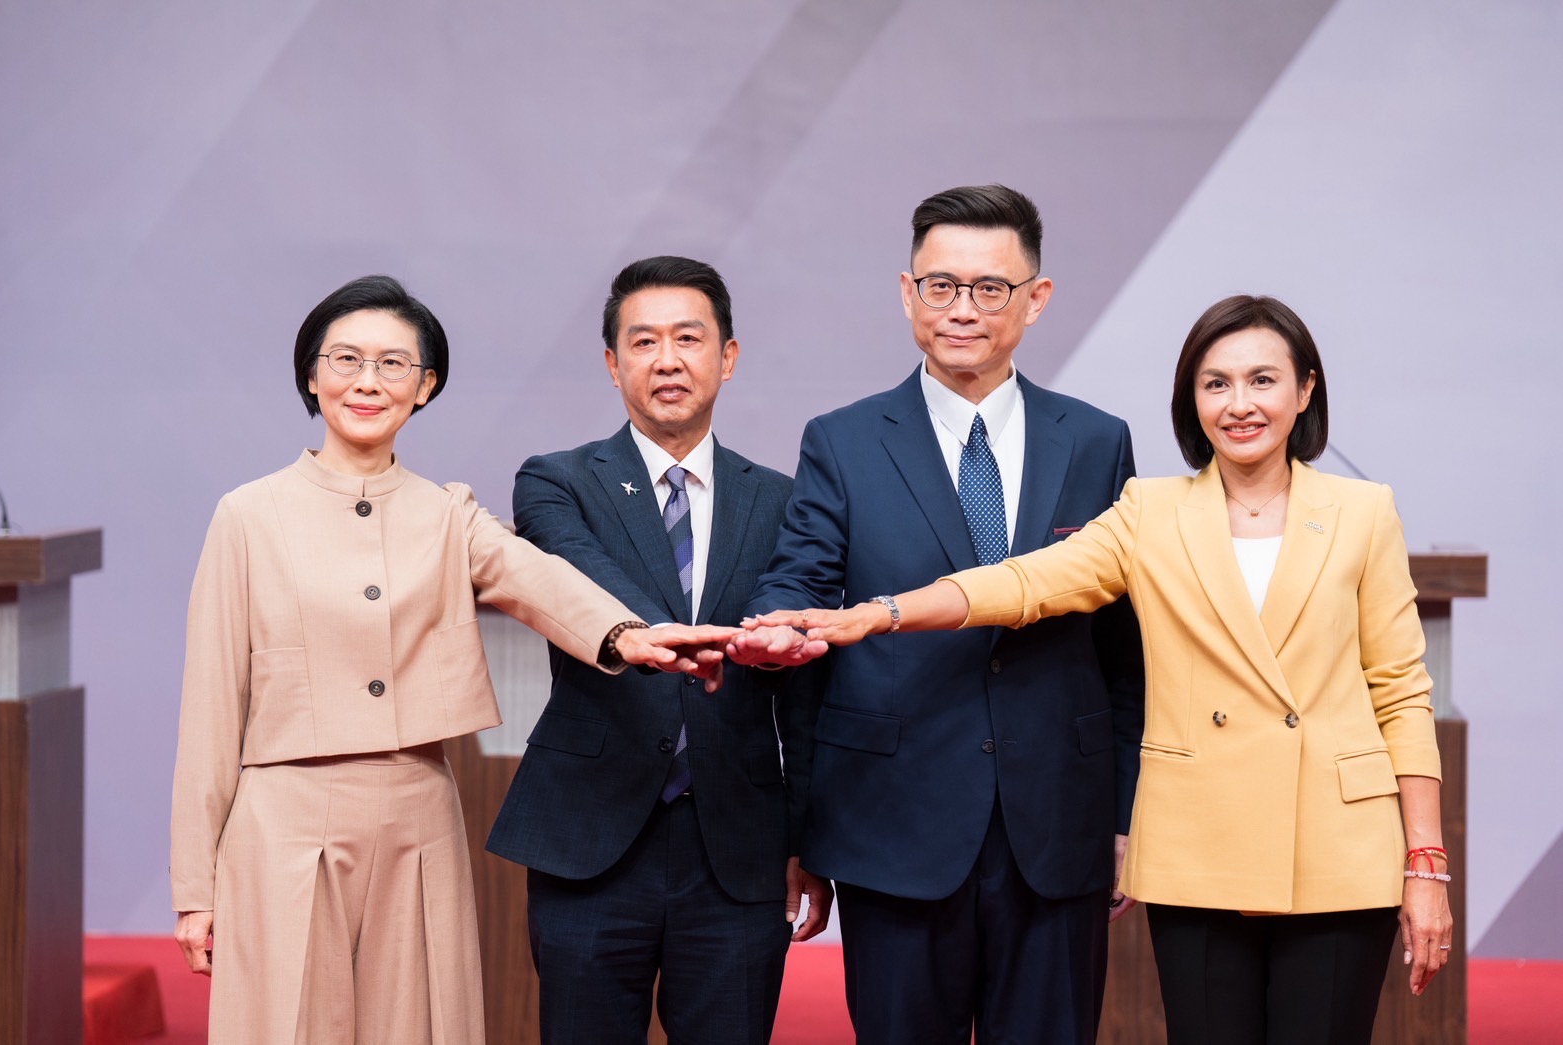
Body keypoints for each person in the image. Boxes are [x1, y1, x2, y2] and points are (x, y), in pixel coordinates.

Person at [758, 294, 1453, 1044]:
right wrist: (885, 611)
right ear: (1190, 400)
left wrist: (1426, 861)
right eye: (1215, 383)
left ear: (1305, 389)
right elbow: (1025, 581)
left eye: (1262, 380)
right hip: (1202, 841)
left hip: (1340, 844)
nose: (1239, 404)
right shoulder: (1149, 511)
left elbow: (1400, 693)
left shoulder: (1362, 511)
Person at [169, 274, 731, 1044]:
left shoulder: (447, 514)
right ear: (311, 374)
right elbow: (209, 708)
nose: (368, 382)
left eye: (394, 364)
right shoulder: (247, 516)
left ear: (425, 385)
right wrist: (195, 886)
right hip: (283, 818)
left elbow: (536, 579)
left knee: (420, 1023)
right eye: (345, 360)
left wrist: (629, 636)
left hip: (415, 815)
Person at [728, 184, 1145, 1045]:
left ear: (1036, 297)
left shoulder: (1095, 440)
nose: (961, 309)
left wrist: (1124, 812)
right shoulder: (843, 439)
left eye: (989, 288)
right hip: (894, 821)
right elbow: (798, 578)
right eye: (940, 285)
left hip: (1057, 823)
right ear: (906, 292)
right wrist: (775, 626)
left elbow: (1124, 648)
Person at [485, 256, 830, 1044]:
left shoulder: (784, 500)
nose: (667, 360)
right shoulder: (556, 482)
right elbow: (582, 575)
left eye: (688, 338)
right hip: (590, 835)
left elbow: (807, 693)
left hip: (739, 842)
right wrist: (665, 634)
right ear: (613, 365)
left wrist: (809, 838)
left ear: (727, 357)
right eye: (643, 342)